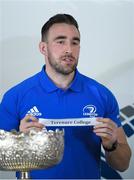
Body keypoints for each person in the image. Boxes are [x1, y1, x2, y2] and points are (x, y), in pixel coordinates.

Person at [0, 14, 131, 179]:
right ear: (43, 48)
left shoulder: (101, 95)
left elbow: (123, 164)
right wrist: (18, 142)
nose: (69, 49)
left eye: (75, 42)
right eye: (60, 41)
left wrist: (112, 145)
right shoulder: (16, 96)